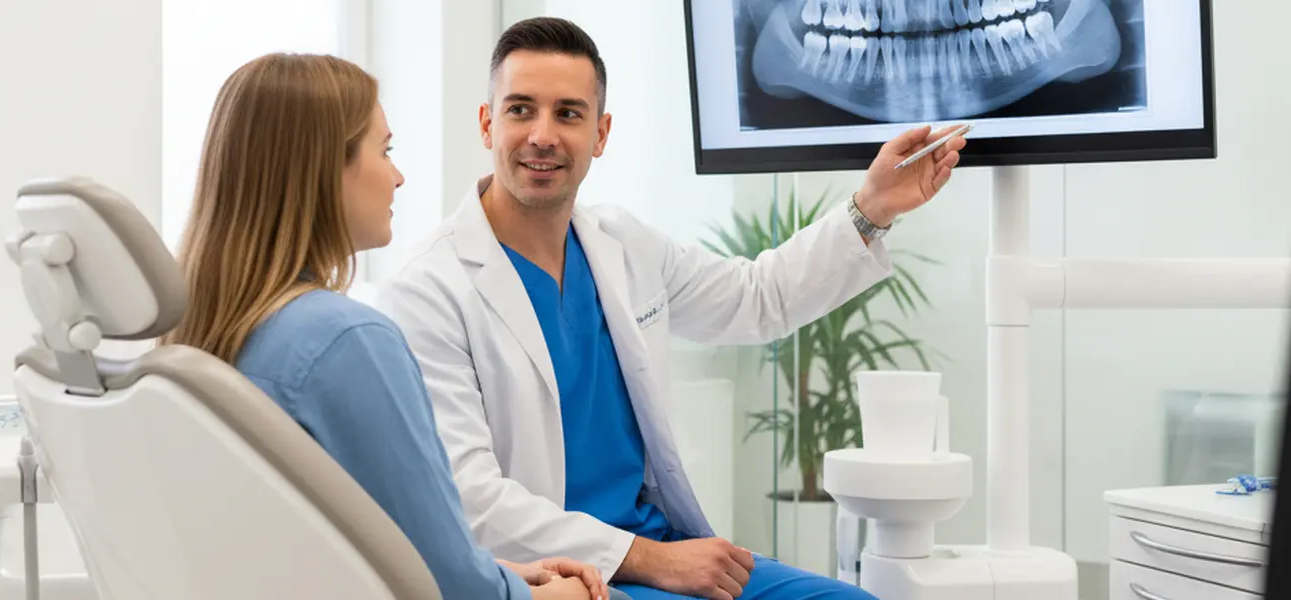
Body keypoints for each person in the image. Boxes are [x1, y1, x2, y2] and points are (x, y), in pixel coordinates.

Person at [378, 17, 967, 600]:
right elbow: (471, 500)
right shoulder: (430, 290)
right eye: (520, 109)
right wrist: (651, 560)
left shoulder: (623, 244)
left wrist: (872, 207)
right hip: (567, 578)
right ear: (487, 124)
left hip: (662, 546)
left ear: (601, 134)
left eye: (568, 114)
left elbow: (756, 298)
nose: (542, 135)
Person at [159, 52, 614, 600]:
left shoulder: (209, 331)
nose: (397, 176)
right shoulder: (345, 342)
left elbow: (376, 548)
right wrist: (555, 594)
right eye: (385, 150)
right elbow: (453, 588)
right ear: (323, 170)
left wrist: (502, 572)